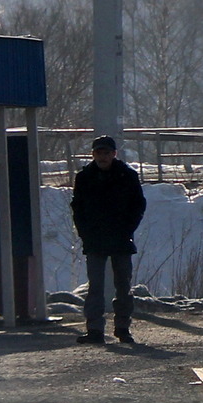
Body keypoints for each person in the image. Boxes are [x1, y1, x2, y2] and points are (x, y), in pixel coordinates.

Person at [70, 135, 147, 345]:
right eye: (98, 153)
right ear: (93, 154)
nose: (102, 157)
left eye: (106, 153)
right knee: (95, 286)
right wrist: (85, 233)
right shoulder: (84, 177)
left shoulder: (127, 176)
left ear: (114, 154)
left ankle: (122, 328)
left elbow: (138, 205)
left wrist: (128, 228)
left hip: (120, 238)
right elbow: (78, 208)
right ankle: (94, 329)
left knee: (122, 285)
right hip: (95, 239)